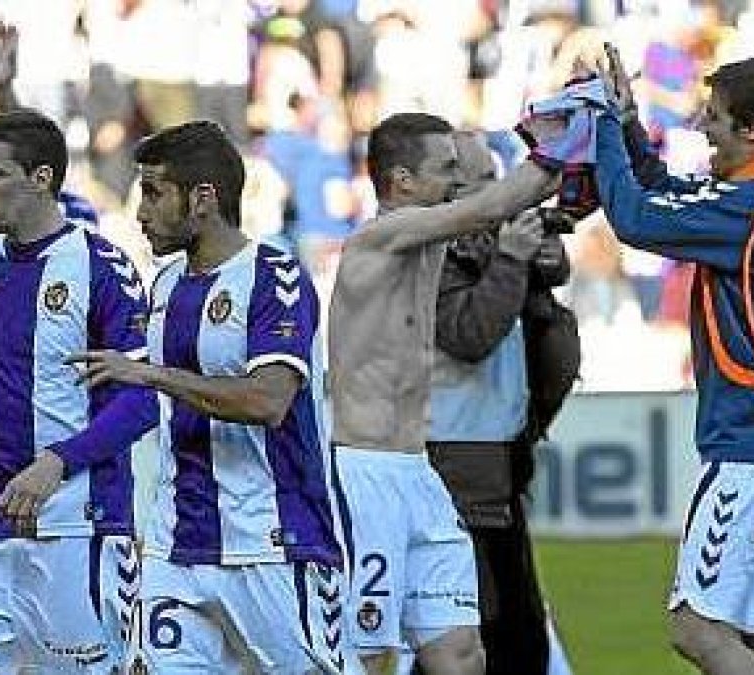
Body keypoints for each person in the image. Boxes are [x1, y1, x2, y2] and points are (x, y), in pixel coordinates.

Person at [68, 120, 352, 672]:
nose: (140, 211)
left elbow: (268, 401)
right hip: (177, 546)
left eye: (153, 192)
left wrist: (152, 375)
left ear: (202, 199)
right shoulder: (166, 286)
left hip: (274, 544)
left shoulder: (275, 275)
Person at [590, 50, 754, 675]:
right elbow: (665, 192)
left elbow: (636, 218)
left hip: (753, 445)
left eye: (714, 116)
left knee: (696, 627)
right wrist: (632, 124)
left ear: (753, 132)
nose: (700, 125)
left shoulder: (752, 206)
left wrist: (603, 125)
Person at [327, 111, 565, 674]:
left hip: (419, 474)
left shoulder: (433, 244)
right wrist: (562, 143)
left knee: (461, 654)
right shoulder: (376, 238)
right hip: (368, 476)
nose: (459, 181)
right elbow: (490, 206)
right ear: (403, 181)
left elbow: (524, 211)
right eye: (447, 169)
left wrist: (587, 144)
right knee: (370, 655)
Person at [0, 110, 153, 671]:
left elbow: (141, 398)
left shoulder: (99, 265)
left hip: (77, 527)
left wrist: (57, 462)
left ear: (41, 179)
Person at [424, 129, 575, 675]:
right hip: (452, 476)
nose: (503, 194)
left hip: (497, 467)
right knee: (477, 644)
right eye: (487, 181)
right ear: (452, 191)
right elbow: (470, 335)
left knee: (507, 642)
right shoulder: (429, 255)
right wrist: (512, 259)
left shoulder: (483, 250)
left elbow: (546, 327)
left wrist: (542, 263)